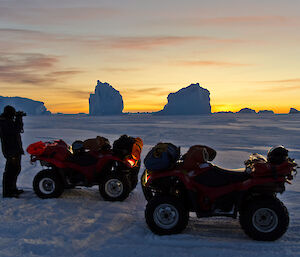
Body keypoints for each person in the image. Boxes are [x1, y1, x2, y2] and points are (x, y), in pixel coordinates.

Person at [0, 105, 25, 197]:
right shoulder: (4, 122)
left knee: (15, 170)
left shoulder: (7, 121)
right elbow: (16, 130)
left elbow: (16, 130)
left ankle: (13, 189)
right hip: (11, 151)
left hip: (14, 150)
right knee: (10, 171)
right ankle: (8, 192)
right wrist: (19, 118)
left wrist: (18, 119)